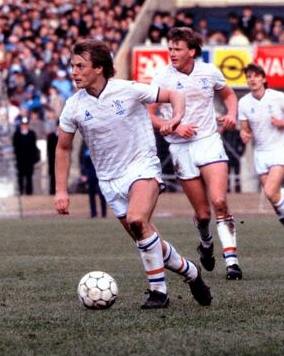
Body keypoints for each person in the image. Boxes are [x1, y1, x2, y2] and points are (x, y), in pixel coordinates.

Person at [54, 39, 211, 309]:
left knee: (138, 219)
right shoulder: (74, 106)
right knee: (146, 237)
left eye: (80, 66)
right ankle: (190, 272)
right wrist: (60, 190)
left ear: (99, 68)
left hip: (142, 167)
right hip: (108, 180)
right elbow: (63, 148)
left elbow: (176, 95)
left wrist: (175, 118)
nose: (74, 72)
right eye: (72, 66)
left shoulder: (128, 89)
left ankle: (158, 292)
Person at [147, 27, 243, 280]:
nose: (172, 53)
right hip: (180, 148)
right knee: (202, 214)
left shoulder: (209, 72)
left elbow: (229, 95)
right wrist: (175, 127)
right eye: (170, 48)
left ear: (191, 51)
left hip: (209, 140)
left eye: (177, 49)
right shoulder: (161, 78)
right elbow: (150, 114)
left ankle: (232, 261)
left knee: (219, 201)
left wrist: (232, 114)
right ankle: (206, 243)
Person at [238, 64, 284, 248]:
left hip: (279, 149)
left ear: (263, 79)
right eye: (248, 76)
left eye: (255, 76)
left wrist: (283, 122)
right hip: (260, 152)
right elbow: (245, 130)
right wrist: (244, 135)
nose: (251, 79)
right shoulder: (244, 103)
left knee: (269, 191)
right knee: (273, 197)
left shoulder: (278, 97)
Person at [12, 117, 39, 195]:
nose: (24, 126)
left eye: (25, 124)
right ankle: (20, 192)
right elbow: (15, 146)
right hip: (20, 160)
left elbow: (34, 147)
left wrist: (34, 158)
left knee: (29, 177)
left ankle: (29, 193)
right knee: (20, 177)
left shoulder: (32, 134)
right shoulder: (16, 134)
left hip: (29, 160)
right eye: (23, 124)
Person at [79, 142, 106, 218]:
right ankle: (93, 214)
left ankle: (104, 214)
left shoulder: (99, 143)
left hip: (100, 173)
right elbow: (81, 161)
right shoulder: (84, 145)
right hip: (89, 173)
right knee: (91, 195)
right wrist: (83, 174)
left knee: (101, 194)